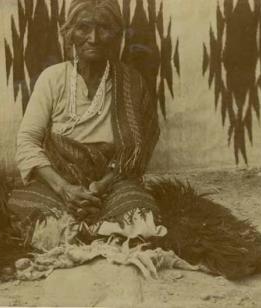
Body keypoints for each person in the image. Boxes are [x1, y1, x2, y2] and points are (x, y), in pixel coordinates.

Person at [10, 0, 166, 251]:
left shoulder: (131, 82)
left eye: (103, 28)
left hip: (113, 179)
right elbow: (27, 140)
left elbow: (139, 149)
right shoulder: (54, 78)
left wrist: (100, 186)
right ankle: (84, 231)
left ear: (116, 35)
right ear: (69, 33)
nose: (93, 38)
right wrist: (64, 188)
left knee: (140, 219)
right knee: (39, 221)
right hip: (59, 177)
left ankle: (95, 231)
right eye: (83, 27)